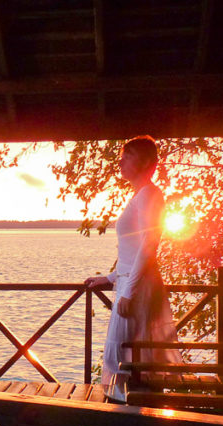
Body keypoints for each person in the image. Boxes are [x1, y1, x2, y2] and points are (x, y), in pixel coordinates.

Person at [85, 135, 181, 402]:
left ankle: (131, 425)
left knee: (127, 357)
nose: (121, 161)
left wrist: (128, 291)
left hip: (137, 289)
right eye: (122, 155)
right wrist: (111, 277)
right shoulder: (139, 195)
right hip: (130, 283)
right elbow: (131, 250)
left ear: (146, 162)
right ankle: (127, 425)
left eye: (128, 156)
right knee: (126, 357)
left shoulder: (150, 194)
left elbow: (149, 245)